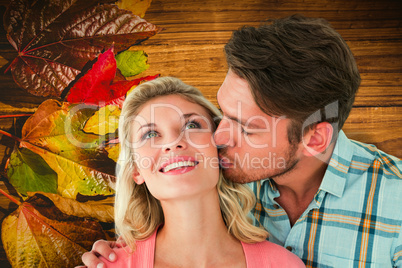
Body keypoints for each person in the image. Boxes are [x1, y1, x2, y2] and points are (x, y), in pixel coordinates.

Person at [81, 14, 402, 267]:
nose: (217, 136)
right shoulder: (222, 174)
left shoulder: (395, 207)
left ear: (315, 138)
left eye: (247, 127)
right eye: (221, 113)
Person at [78, 76, 305, 267]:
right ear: (136, 170)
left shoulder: (283, 263)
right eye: (150, 134)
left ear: (219, 147)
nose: (173, 143)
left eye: (192, 125)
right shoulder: (108, 265)